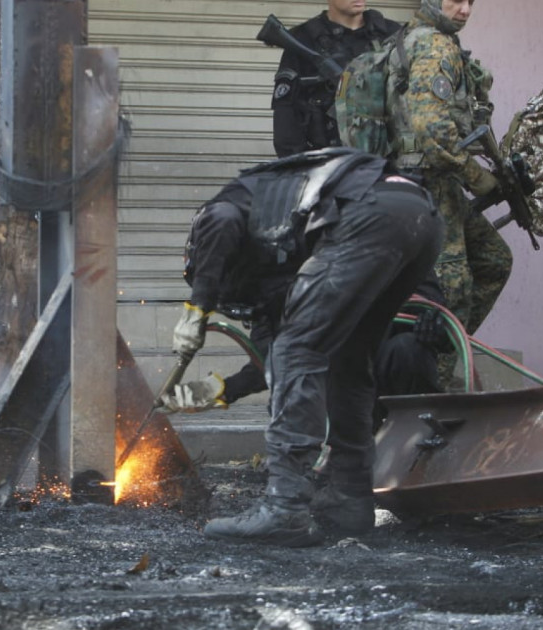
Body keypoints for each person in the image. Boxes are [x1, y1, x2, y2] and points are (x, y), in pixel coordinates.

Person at [171, 148, 443, 546]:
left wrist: (196, 311)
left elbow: (291, 351)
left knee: (299, 352)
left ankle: (285, 509)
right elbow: (281, 347)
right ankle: (350, 500)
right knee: (347, 360)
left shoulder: (224, 211)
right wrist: (218, 390)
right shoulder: (286, 232)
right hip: (420, 216)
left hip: (368, 213)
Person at [210, 0, 401, 405]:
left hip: (377, 180)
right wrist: (307, 184)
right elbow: (286, 129)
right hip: (320, 187)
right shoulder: (303, 42)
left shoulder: (392, 37)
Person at [392, 0, 511, 390]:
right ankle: (429, 387)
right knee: (450, 292)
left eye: (470, 2)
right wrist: (475, 176)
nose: (464, 10)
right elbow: (431, 128)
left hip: (435, 184)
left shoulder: (421, 40)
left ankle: (438, 356)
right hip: (427, 185)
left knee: (495, 261)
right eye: (455, 0)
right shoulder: (435, 46)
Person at [272, 0, 401, 158]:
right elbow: (286, 122)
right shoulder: (304, 41)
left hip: (382, 166)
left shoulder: (391, 35)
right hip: (324, 166)